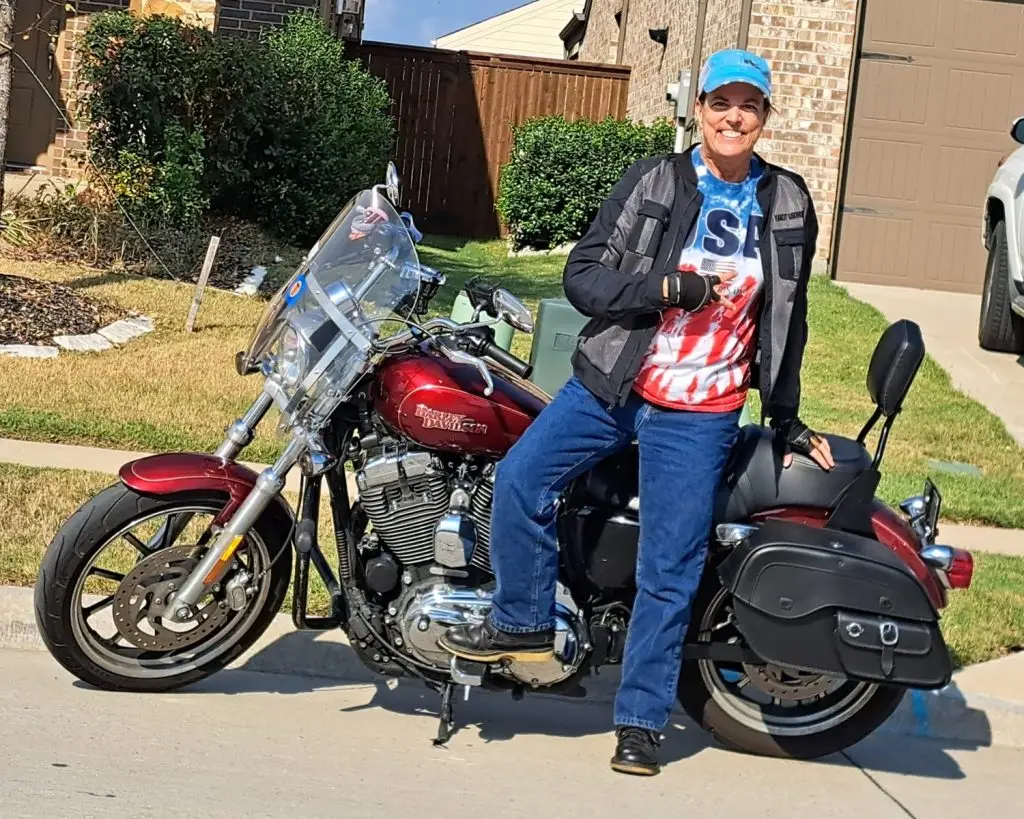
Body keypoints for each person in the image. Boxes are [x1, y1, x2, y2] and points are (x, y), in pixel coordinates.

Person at [439, 48, 835, 776]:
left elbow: (788, 313)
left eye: (748, 105)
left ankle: (641, 721)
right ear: (700, 111)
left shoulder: (786, 200)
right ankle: (522, 619)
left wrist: (785, 416)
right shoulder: (655, 178)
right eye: (721, 103)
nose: (733, 117)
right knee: (522, 478)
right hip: (612, 384)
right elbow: (584, 277)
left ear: (765, 117)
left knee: (670, 566)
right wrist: (667, 288)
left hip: (702, 408)